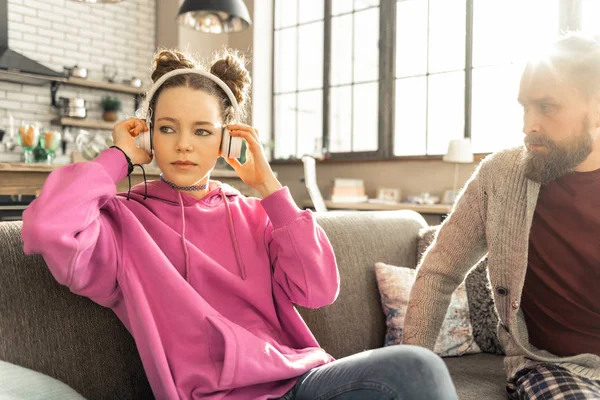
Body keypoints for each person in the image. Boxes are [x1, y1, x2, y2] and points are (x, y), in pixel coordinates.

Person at [21, 49, 457, 400]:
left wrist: (267, 187)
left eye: (203, 131)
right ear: (147, 135)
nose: (185, 145)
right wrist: (117, 158)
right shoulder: (120, 223)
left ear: (227, 138)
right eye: (168, 129)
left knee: (414, 367)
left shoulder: (255, 214)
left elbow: (319, 290)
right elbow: (46, 227)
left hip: (303, 383)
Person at [403, 32, 600, 399]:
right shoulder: (500, 177)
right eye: (525, 107)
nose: (528, 125)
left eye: (547, 107)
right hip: (554, 368)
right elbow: (439, 271)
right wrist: (409, 369)